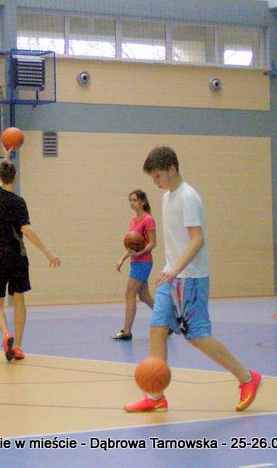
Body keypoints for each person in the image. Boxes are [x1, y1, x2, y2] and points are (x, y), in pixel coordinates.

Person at [124, 146, 261, 413]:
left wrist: (175, 269)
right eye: (152, 177)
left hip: (191, 277)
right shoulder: (167, 197)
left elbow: (197, 239)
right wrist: (170, 270)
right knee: (157, 327)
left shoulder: (188, 197)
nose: (155, 182)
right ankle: (155, 395)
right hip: (171, 276)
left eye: (158, 176)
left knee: (197, 336)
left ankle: (247, 378)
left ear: (172, 169)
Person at [0, 145, 60, 361]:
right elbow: (26, 230)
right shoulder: (19, 203)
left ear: (0, 175)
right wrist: (47, 250)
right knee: (19, 300)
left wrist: (6, 157)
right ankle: (17, 346)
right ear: (15, 177)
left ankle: (5, 334)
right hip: (17, 257)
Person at [112, 189, 156, 340]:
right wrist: (122, 259)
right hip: (135, 262)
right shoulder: (133, 221)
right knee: (144, 296)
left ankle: (127, 331)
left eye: (135, 200)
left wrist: (139, 253)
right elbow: (132, 246)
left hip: (144, 262)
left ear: (142, 201)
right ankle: (169, 321)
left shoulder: (148, 219)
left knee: (129, 293)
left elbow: (153, 243)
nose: (132, 203)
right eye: (130, 200)